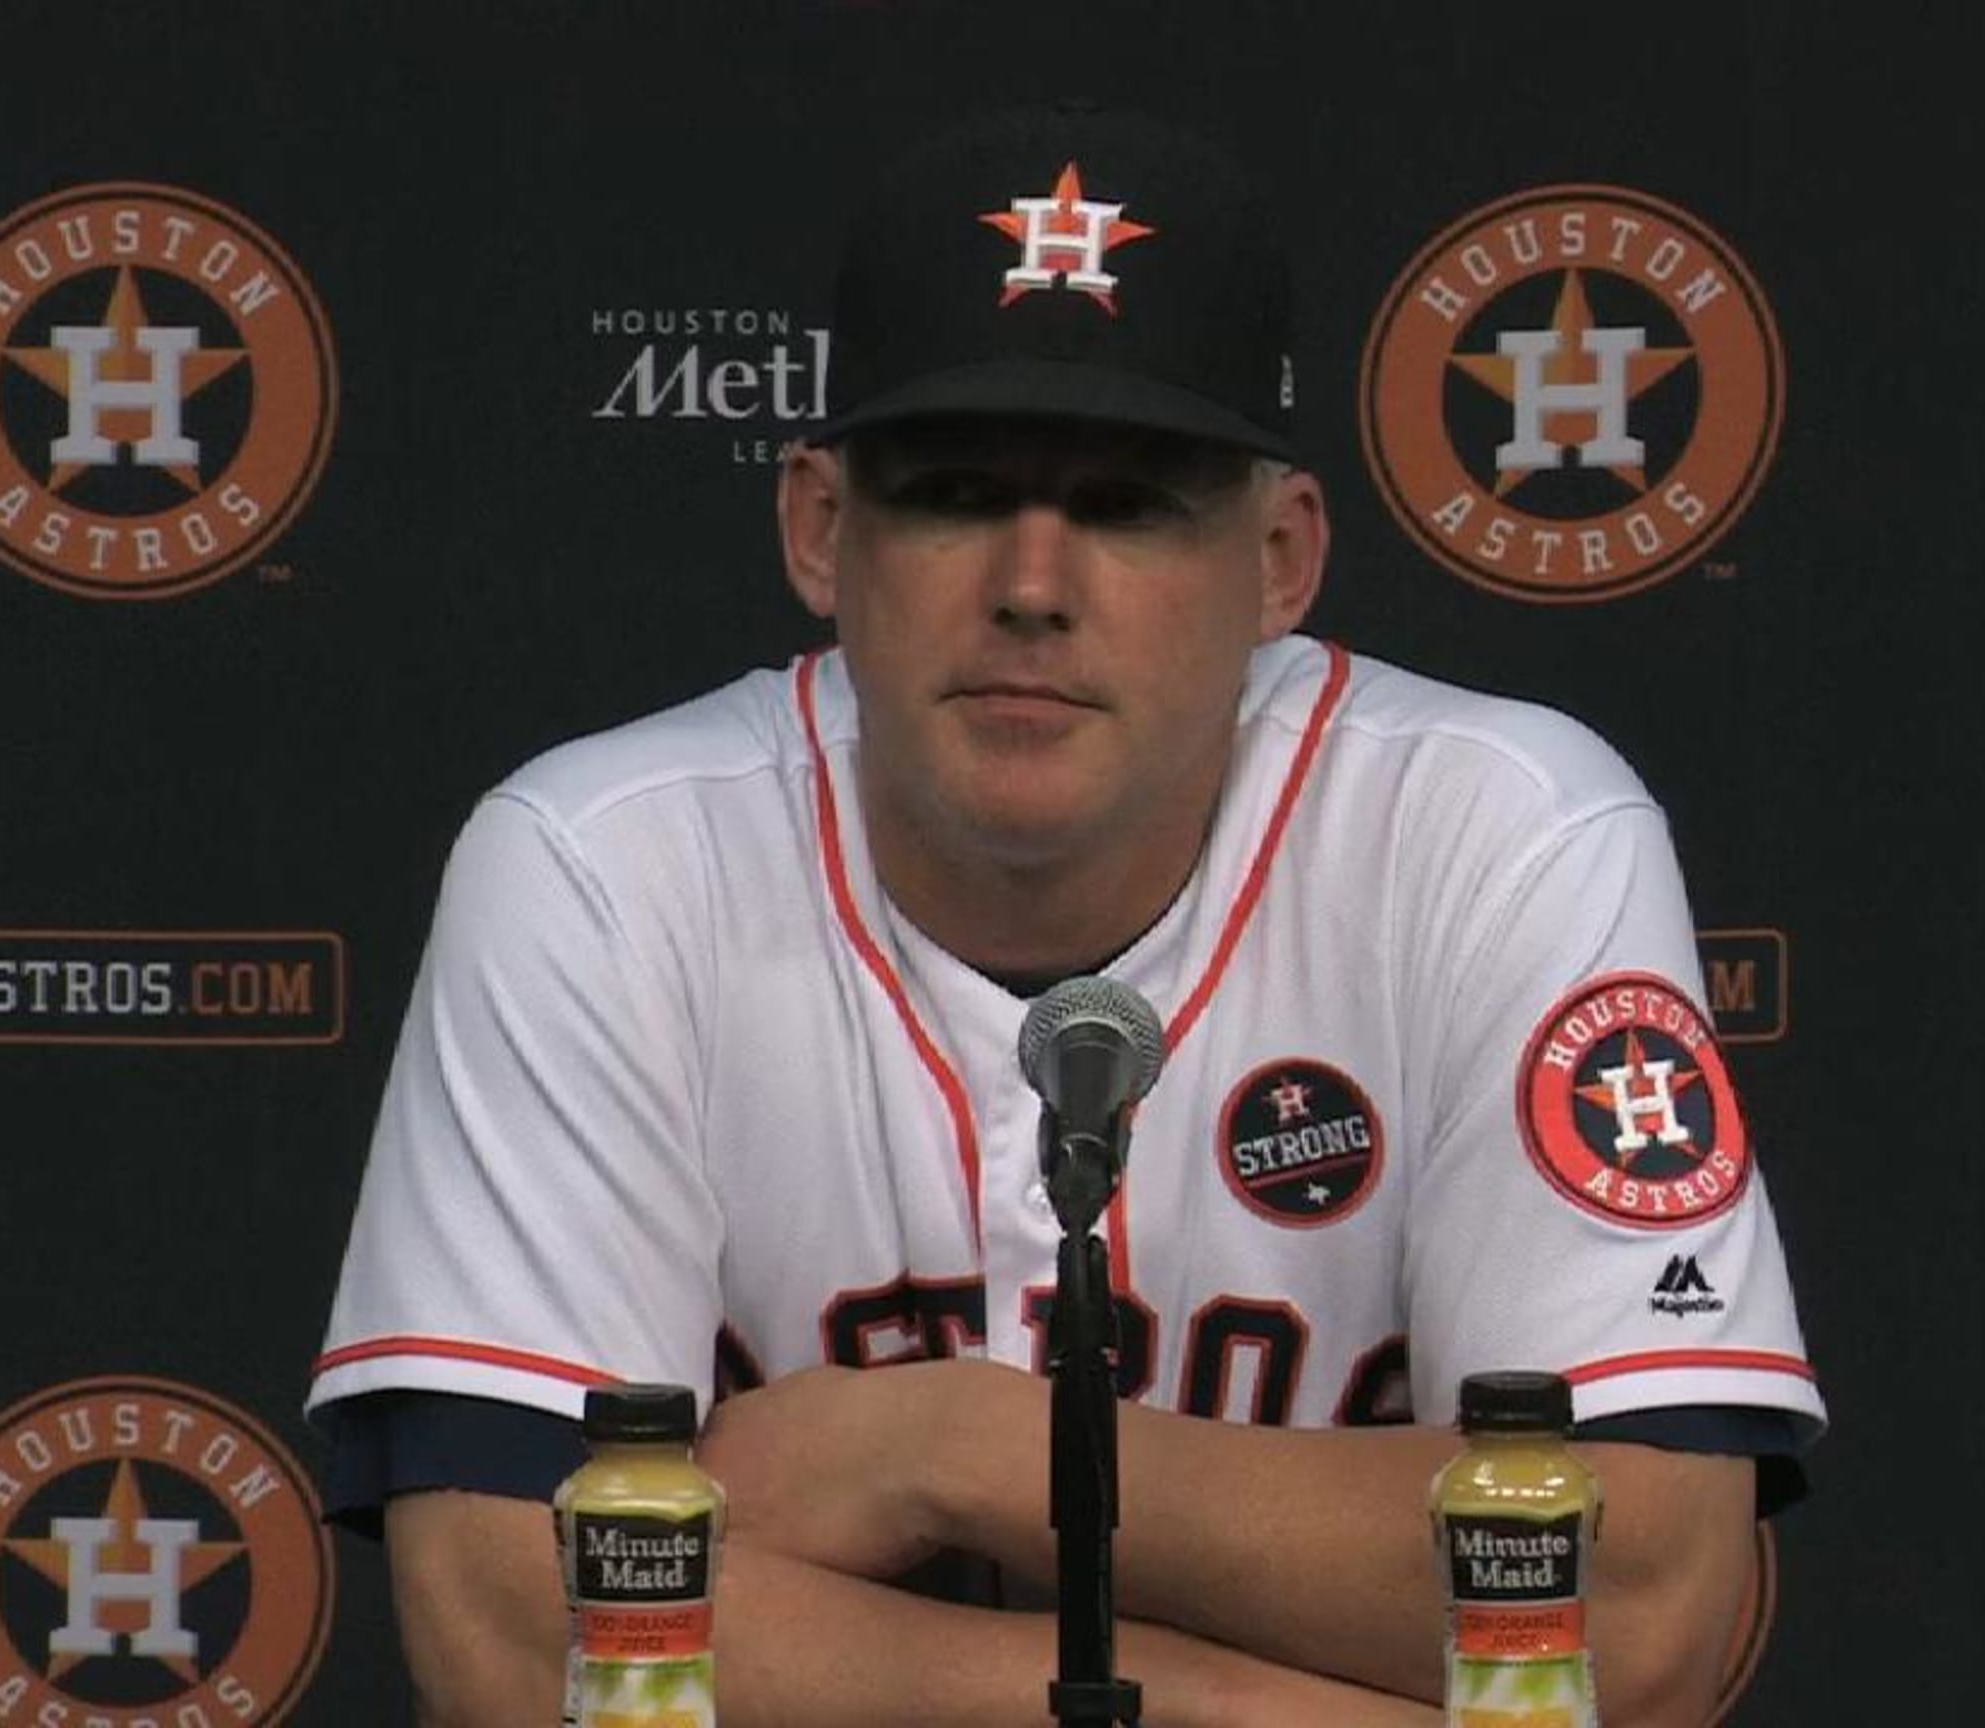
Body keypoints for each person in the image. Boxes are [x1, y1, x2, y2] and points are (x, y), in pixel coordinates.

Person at [307, 99, 1824, 1727]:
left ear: (1281, 561)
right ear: (823, 529)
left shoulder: (1500, 833)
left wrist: (951, 1448)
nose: (1035, 582)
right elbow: (506, 1630)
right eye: (958, 492)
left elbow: (1649, 1601)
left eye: (1127, 504)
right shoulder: (601, 862)